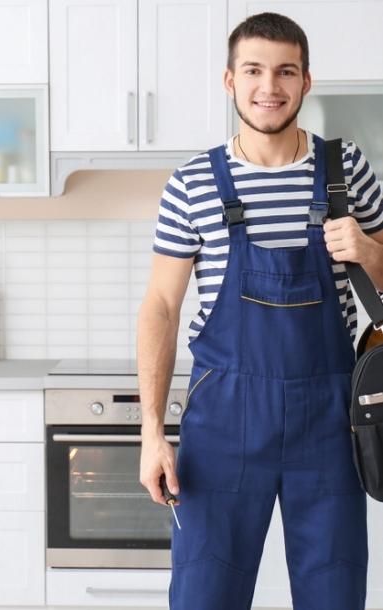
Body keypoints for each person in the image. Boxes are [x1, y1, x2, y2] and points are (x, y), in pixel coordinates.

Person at [137, 11, 383, 610]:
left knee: (334, 593)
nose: (268, 86)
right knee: (204, 594)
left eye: (284, 71)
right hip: (222, 418)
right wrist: (151, 432)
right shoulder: (193, 182)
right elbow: (162, 308)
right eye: (253, 70)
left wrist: (372, 254)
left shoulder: (346, 170)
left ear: (305, 82)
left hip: (329, 421)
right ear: (229, 81)